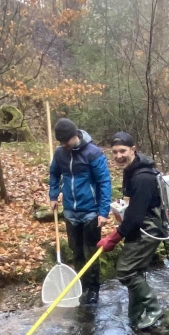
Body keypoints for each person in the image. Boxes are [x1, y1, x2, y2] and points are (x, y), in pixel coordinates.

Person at [96, 132, 166, 330]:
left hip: (148, 229)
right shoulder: (132, 169)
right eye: (115, 152)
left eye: (123, 151)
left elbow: (135, 217)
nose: (118, 156)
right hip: (140, 226)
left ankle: (153, 308)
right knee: (136, 272)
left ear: (133, 150)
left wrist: (114, 237)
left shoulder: (142, 177)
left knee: (126, 272)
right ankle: (135, 317)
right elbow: (133, 209)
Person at [48, 118, 112, 304]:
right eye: (60, 142)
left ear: (75, 136)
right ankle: (80, 285)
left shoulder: (93, 153)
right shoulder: (60, 153)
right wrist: (53, 194)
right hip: (70, 211)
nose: (63, 146)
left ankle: (93, 289)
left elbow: (104, 182)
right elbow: (54, 173)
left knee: (91, 252)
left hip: (91, 211)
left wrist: (104, 211)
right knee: (76, 251)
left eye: (65, 142)